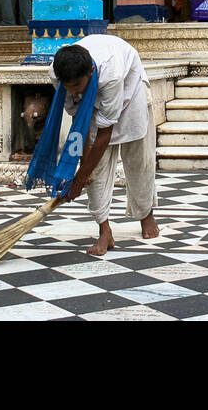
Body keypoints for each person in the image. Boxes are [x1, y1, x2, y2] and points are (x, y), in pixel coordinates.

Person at [52, 36, 159, 257]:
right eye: (67, 87)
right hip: (93, 101)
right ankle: (104, 230)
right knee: (96, 169)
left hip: (130, 89)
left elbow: (104, 134)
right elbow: (77, 121)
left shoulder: (111, 73)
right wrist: (83, 165)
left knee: (139, 159)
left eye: (76, 86)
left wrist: (79, 179)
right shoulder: (58, 73)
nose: (71, 91)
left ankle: (146, 213)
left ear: (90, 72)